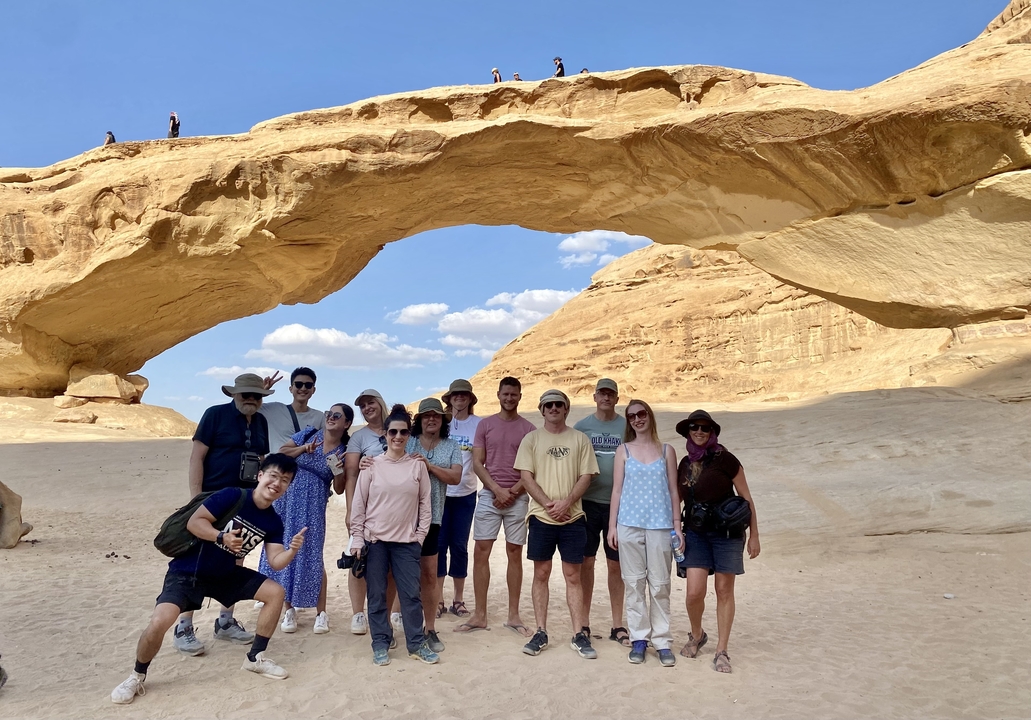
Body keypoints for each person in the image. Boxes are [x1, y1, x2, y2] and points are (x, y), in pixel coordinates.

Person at [110, 454, 307, 705]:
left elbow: (275, 560)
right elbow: (195, 522)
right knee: (160, 621)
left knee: (275, 592)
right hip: (188, 571)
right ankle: (137, 675)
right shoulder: (233, 496)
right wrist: (221, 537)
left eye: (285, 480)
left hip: (225, 575)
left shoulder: (273, 521)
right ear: (260, 475)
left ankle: (255, 658)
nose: (277, 483)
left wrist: (292, 550)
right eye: (274, 475)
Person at [174, 373, 272, 655]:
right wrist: (196, 500)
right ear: (234, 395)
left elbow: (262, 462)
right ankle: (184, 627)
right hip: (212, 501)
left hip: (244, 503)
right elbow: (197, 457)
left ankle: (226, 622)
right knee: (199, 560)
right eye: (246, 395)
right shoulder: (214, 415)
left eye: (256, 396)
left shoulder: (261, 421)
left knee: (235, 560)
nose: (251, 400)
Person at [350, 404, 438, 666]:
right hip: (375, 542)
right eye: (393, 432)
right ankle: (380, 642)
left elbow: (425, 503)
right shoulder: (371, 466)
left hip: (407, 543)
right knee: (376, 595)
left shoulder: (417, 466)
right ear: (385, 435)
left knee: (411, 596)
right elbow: (359, 505)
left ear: (409, 436)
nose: (398, 437)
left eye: (403, 432)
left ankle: (415, 644)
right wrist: (357, 537)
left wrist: (419, 536)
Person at [515, 389, 600, 658]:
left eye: (558, 405)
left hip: (573, 517)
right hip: (541, 517)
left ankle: (578, 633)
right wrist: (549, 504)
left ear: (566, 409)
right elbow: (526, 477)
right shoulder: (531, 439)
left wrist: (566, 502)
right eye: (548, 405)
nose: (553, 408)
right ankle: (541, 631)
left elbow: (586, 475)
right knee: (541, 574)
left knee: (573, 576)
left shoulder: (580, 439)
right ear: (541, 410)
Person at [676, 409, 760, 673]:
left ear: (712, 432)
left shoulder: (726, 459)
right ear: (688, 432)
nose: (699, 432)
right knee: (694, 593)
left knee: (724, 591)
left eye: (704, 428)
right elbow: (676, 500)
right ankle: (697, 634)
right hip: (697, 534)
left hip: (727, 535)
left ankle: (722, 650)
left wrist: (755, 535)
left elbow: (747, 497)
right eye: (694, 427)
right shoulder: (685, 464)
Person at [259, 403, 353, 635]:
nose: (330, 417)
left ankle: (321, 613)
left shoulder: (344, 450)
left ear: (346, 423)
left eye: (337, 415)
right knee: (284, 548)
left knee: (312, 553)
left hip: (313, 506)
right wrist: (303, 449)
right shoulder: (309, 433)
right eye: (329, 414)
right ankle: (289, 608)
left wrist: (339, 471)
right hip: (286, 501)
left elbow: (339, 488)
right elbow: (281, 453)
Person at [454, 377, 535, 636]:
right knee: (481, 551)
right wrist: (497, 490)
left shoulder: (529, 429)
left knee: (514, 552)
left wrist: (512, 492)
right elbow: (478, 462)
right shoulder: (486, 425)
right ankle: (480, 614)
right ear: (498, 395)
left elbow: (531, 469)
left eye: (514, 394)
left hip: (518, 497)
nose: (509, 398)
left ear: (520, 396)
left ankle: (513, 614)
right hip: (490, 495)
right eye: (505, 394)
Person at [607, 400, 682, 667]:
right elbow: (616, 490)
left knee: (660, 584)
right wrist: (612, 526)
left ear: (649, 416)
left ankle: (662, 641)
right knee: (634, 582)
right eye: (632, 417)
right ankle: (639, 639)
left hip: (661, 525)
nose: (638, 419)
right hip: (629, 524)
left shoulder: (667, 450)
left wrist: (677, 526)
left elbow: (674, 490)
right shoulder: (623, 450)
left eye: (641, 414)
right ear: (628, 422)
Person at [574, 378, 628, 648]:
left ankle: (618, 624)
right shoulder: (582, 427)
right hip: (588, 503)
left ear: (617, 399)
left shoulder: (626, 425)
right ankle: (583, 621)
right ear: (594, 397)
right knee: (586, 561)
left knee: (615, 563)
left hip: (618, 505)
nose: (606, 398)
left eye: (611, 394)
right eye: (602, 394)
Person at [405, 398, 462, 652]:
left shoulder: (451, 446)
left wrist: (429, 466)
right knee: (401, 574)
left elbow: (456, 476)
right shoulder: (408, 442)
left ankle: (430, 629)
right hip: (403, 517)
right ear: (419, 421)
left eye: (436, 416)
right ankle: (402, 628)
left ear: (442, 420)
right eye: (426, 416)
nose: (431, 420)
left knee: (429, 575)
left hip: (433, 518)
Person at [340, 389, 389, 635]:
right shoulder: (359, 437)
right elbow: (350, 475)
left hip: (394, 507)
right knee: (357, 559)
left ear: (380, 404)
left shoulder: (397, 429)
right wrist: (351, 511)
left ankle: (394, 612)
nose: (367, 408)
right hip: (366, 505)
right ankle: (358, 614)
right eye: (362, 406)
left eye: (371, 403)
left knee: (392, 560)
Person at [438, 379, 481, 619]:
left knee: (460, 546)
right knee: (439, 545)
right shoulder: (443, 423)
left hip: (466, 492)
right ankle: (439, 599)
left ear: (470, 399)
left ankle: (458, 599)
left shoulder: (479, 424)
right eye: (456, 395)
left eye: (464, 395)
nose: (460, 398)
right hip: (441, 493)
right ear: (450, 399)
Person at [259, 367, 326, 456]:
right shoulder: (274, 409)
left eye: (308, 385)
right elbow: (241, 407)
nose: (303, 388)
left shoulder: (320, 417)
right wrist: (262, 391)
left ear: (313, 390)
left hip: (300, 468)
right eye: (298, 384)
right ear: (291, 388)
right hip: (274, 467)